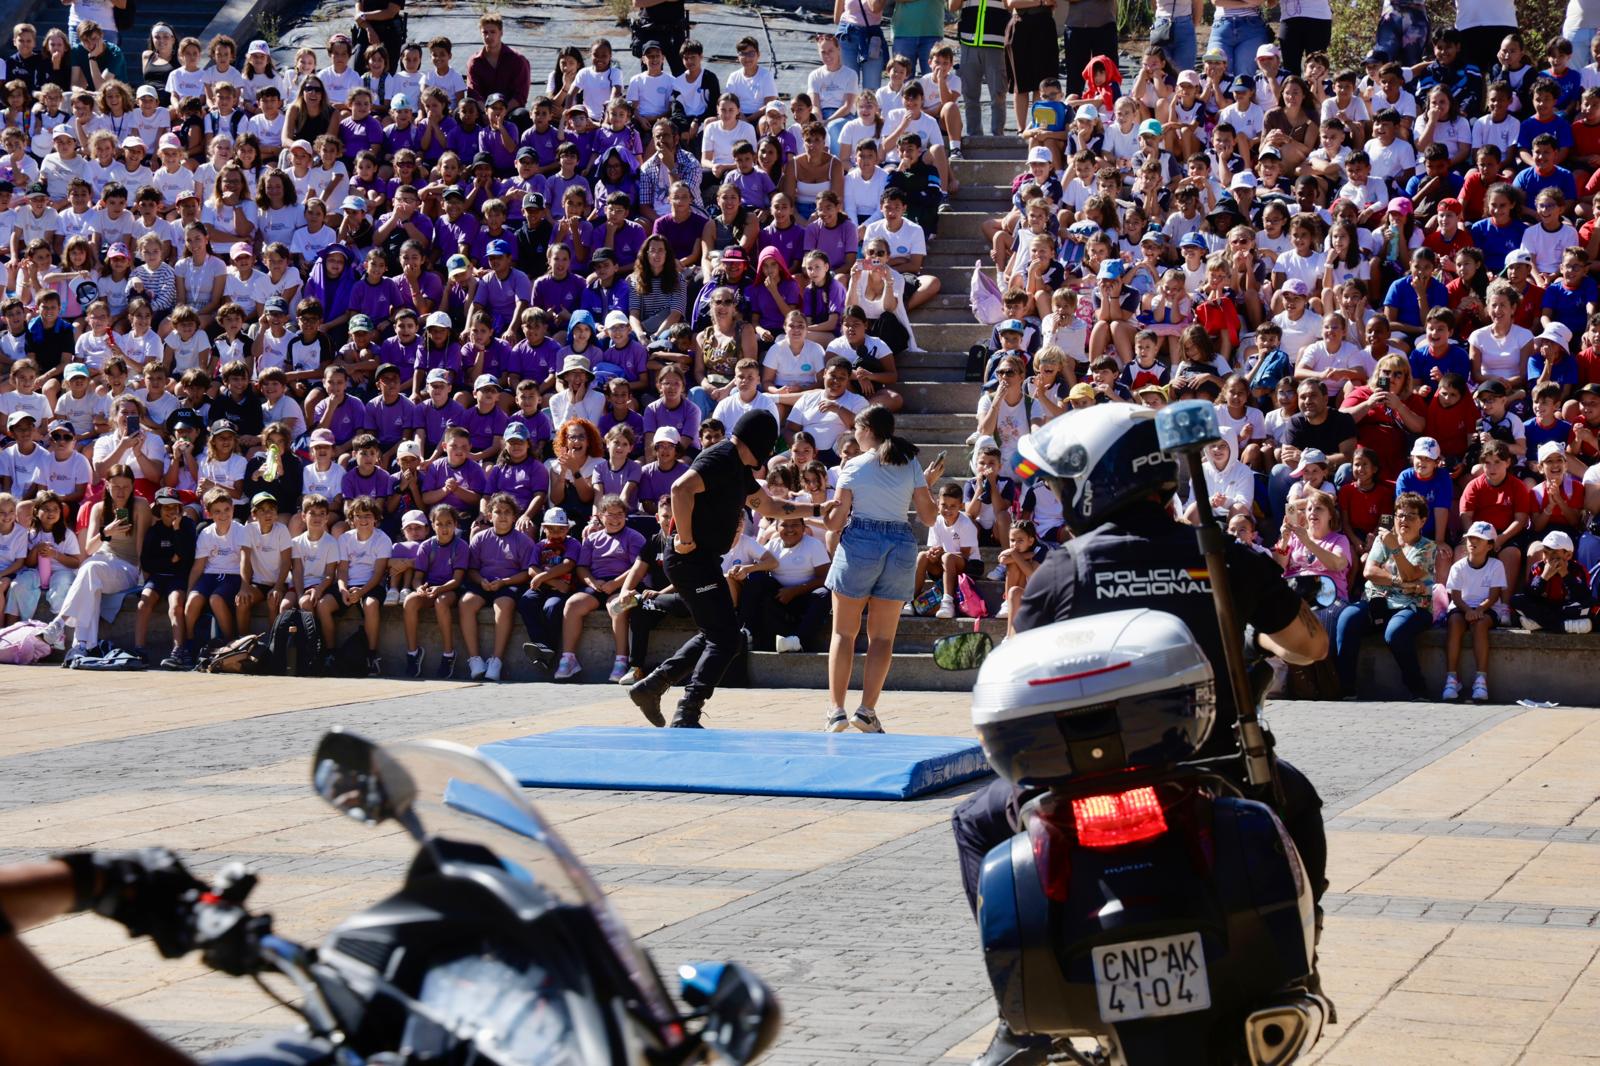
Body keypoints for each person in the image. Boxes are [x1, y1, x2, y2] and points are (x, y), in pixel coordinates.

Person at [951, 404, 1329, 1066]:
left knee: (974, 824)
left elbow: (1018, 667)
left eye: (1066, 485)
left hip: (1080, 781)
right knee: (1295, 802)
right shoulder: (1220, 554)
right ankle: (1300, 966)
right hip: (1216, 769)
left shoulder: (1061, 571)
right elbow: (1309, 646)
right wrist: (1252, 635)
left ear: (1096, 482)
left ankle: (1022, 1020)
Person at [626, 411, 833, 728]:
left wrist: (818, 508)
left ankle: (653, 687)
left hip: (703, 560)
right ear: (759, 441)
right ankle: (686, 710)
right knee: (725, 639)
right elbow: (680, 489)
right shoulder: (721, 457)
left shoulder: (738, 469)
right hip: (691, 559)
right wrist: (685, 539)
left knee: (720, 634)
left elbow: (771, 507)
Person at [820, 404, 940, 732]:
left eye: (856, 429)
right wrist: (927, 485)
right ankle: (867, 711)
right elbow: (929, 518)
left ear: (868, 430)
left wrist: (823, 509)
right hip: (900, 542)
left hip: (861, 541)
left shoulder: (853, 465)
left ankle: (836, 710)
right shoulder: (910, 462)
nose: (854, 434)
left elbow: (835, 522)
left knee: (843, 633)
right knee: (883, 638)